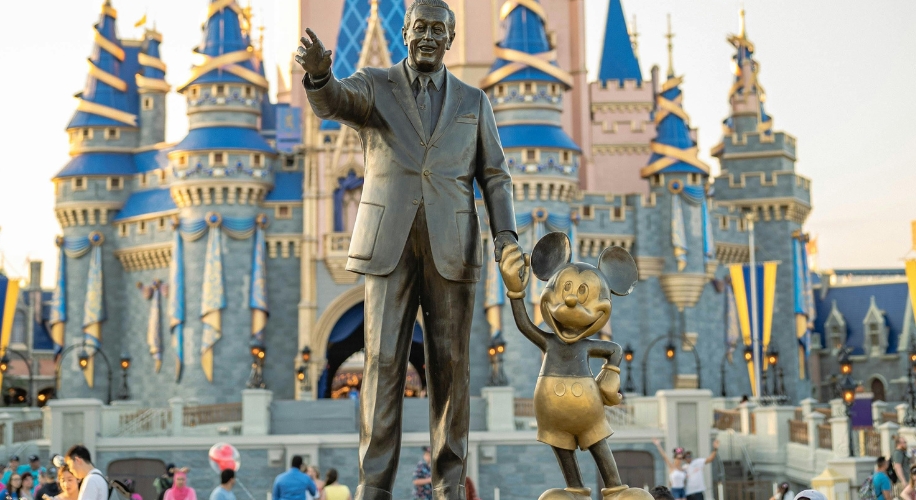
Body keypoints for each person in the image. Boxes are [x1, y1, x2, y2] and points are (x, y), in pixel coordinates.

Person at [296, 0, 519, 496]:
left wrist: (506, 237)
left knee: (451, 370)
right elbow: (335, 101)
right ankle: (373, 489)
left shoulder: (473, 101)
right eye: (420, 27)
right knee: (381, 364)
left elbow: (495, 175)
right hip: (387, 245)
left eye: (439, 29)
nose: (428, 37)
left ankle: (448, 486)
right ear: (404, 31)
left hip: (452, 247)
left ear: (451, 38)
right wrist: (318, 79)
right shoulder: (376, 85)